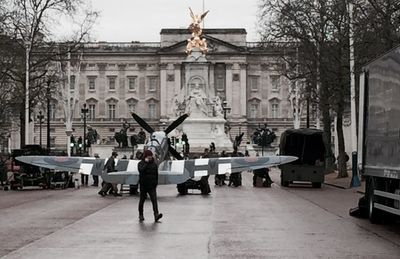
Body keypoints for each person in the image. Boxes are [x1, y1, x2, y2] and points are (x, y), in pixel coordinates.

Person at [138, 150, 163, 222]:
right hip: (144, 185)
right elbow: (141, 171)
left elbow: (156, 174)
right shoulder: (141, 163)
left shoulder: (154, 164)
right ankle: (141, 215)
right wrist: (146, 163)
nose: (150, 157)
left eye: (151, 155)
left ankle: (156, 215)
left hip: (152, 186)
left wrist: (156, 183)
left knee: (154, 200)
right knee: (142, 201)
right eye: (148, 156)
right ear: (145, 156)